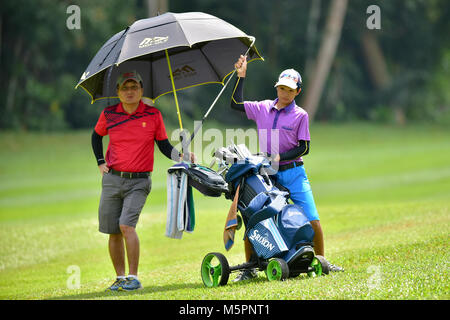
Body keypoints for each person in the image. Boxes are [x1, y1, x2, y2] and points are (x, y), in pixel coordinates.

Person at [230, 55, 343, 281]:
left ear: (297, 92)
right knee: (254, 218)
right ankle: (249, 268)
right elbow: (235, 104)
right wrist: (240, 77)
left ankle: (321, 261)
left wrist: (280, 157)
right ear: (277, 87)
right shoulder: (262, 107)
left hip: (293, 173)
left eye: (289, 90)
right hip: (267, 175)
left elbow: (304, 147)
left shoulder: (300, 115)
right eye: (281, 88)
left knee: (312, 219)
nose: (284, 93)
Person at [91, 71, 194, 291]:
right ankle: (120, 278)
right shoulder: (109, 114)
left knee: (126, 225)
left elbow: (164, 145)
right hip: (112, 179)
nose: (130, 92)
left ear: (141, 90)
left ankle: (133, 277)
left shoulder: (153, 115)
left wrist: (181, 156)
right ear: (118, 92)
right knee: (113, 231)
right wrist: (101, 161)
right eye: (125, 88)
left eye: (134, 87)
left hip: (139, 182)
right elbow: (96, 135)